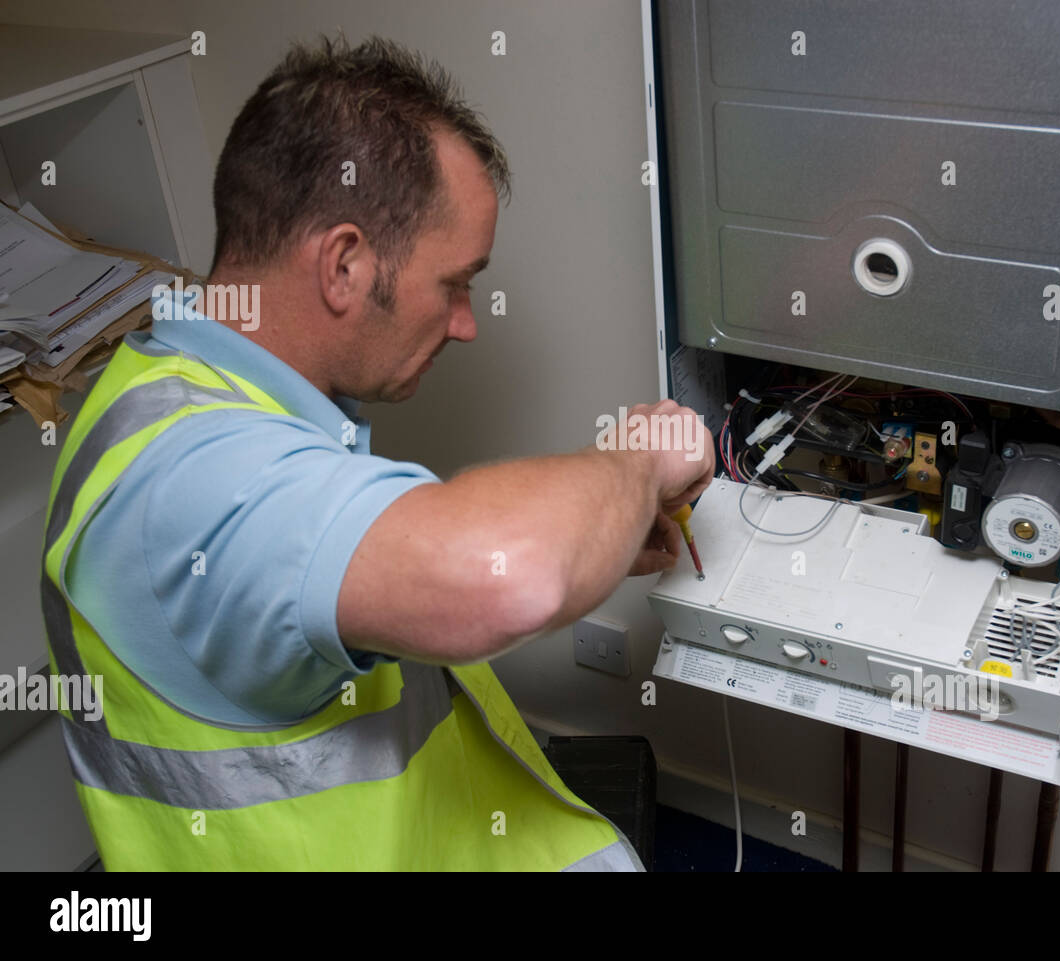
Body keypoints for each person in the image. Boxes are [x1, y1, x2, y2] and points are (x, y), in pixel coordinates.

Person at [40, 36, 713, 871]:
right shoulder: (188, 488)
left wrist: (610, 517)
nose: (466, 321)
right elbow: (511, 572)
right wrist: (640, 459)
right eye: (456, 283)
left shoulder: (191, 383)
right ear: (346, 264)